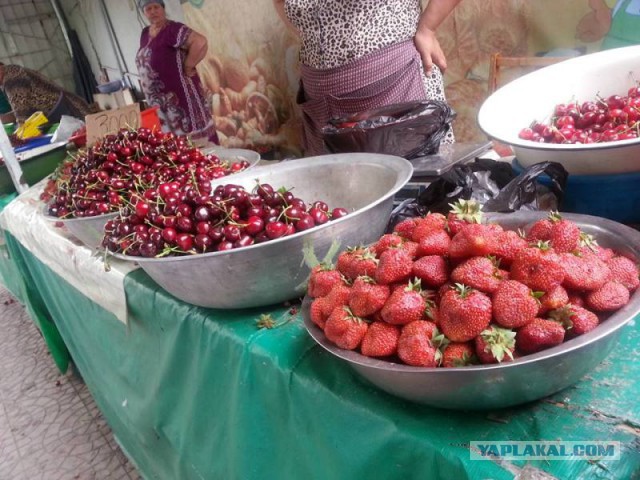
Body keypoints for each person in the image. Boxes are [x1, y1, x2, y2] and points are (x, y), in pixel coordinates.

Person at [273, 0, 461, 155]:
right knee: (335, 195)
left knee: (413, 195)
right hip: (320, 106)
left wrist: (427, 28)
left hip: (397, 86)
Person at [136, 0, 218, 145]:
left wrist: (188, 66)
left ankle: (212, 161)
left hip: (181, 96)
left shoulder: (172, 29)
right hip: (160, 103)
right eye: (148, 9)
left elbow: (200, 42)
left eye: (156, 7)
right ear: (144, 13)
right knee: (174, 140)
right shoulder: (144, 33)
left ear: (163, 9)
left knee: (195, 137)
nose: (153, 11)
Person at [0, 62, 97, 125]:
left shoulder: (12, 79)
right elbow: (22, 104)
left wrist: (19, 137)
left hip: (72, 111)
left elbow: (21, 112)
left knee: (95, 141)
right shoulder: (11, 72)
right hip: (65, 111)